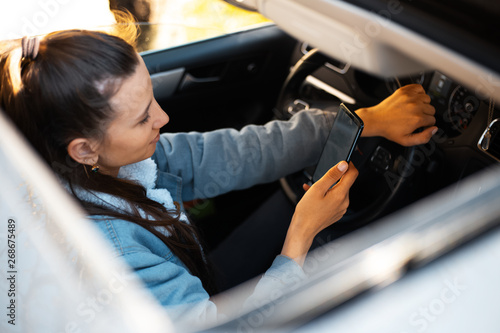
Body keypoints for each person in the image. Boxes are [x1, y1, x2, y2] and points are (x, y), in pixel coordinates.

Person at [0, 28, 436, 326]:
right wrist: (301, 236)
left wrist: (368, 119)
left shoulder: (102, 164)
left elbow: (237, 153)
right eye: (142, 118)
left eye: (153, 98)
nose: (164, 118)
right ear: (83, 148)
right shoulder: (110, 254)